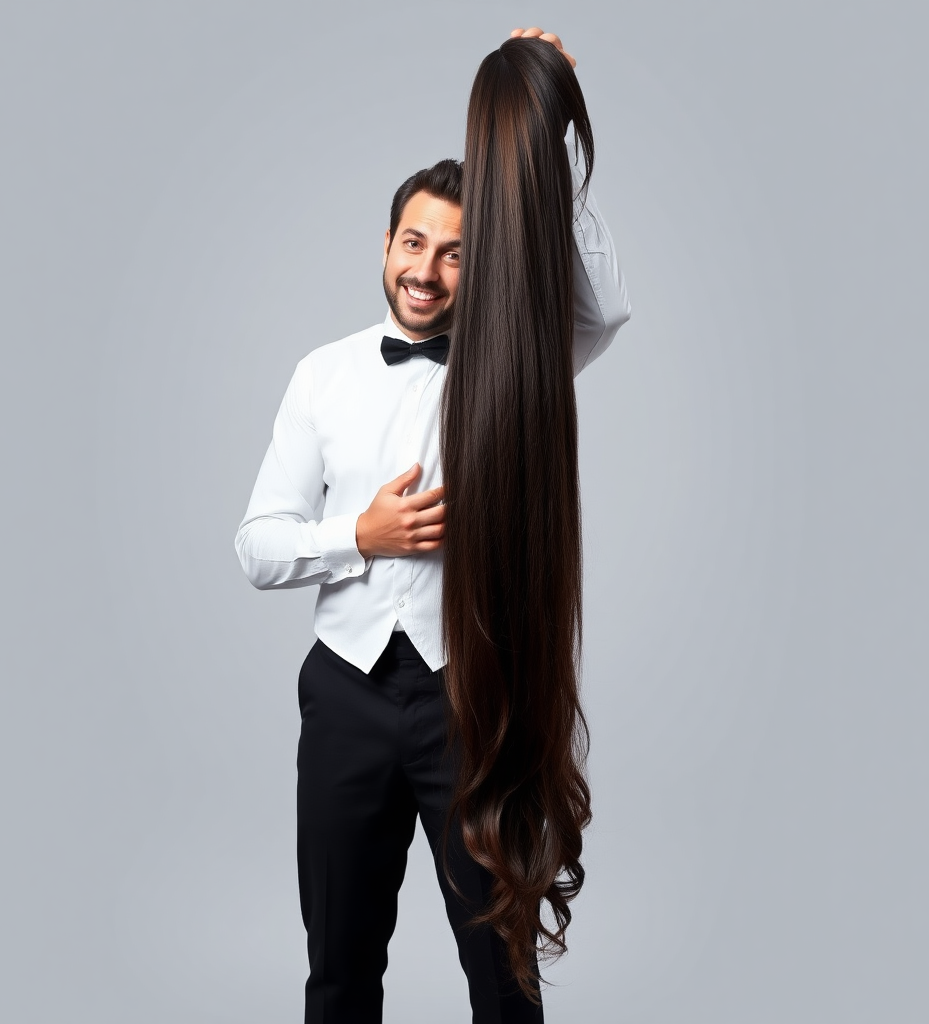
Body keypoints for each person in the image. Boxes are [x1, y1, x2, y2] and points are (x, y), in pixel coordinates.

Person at [234, 27, 630, 1024]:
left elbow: (604, 310)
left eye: (456, 252)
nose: (427, 269)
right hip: (345, 703)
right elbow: (256, 544)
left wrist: (548, 141)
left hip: (472, 700)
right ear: (384, 245)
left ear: (478, 266)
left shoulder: (518, 364)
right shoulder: (319, 375)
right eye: (413, 242)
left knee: (504, 980)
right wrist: (355, 537)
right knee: (338, 974)